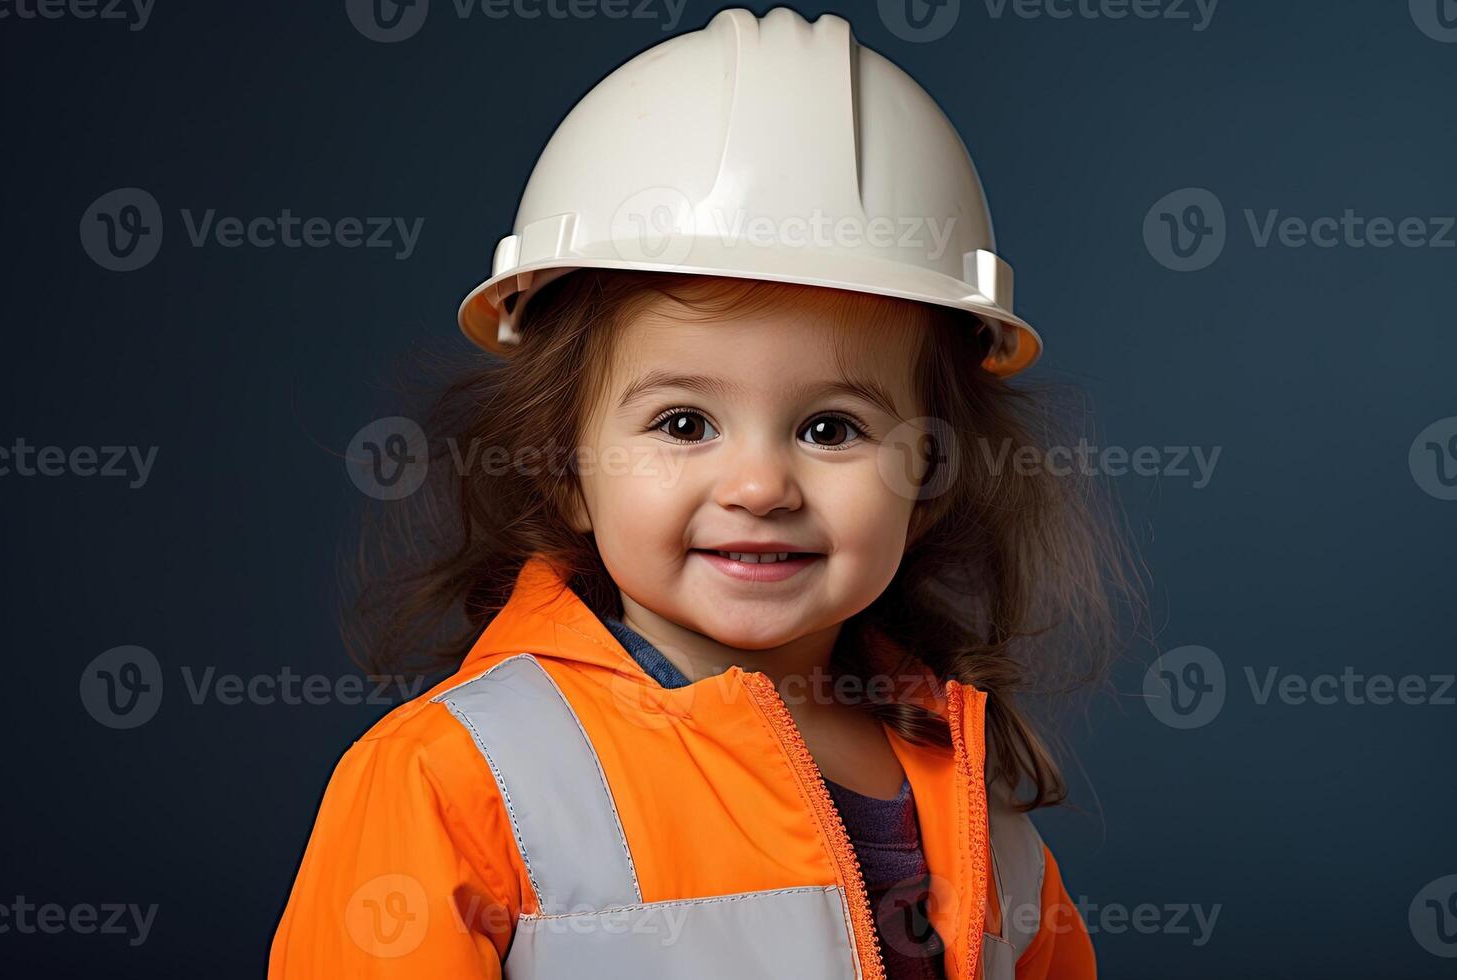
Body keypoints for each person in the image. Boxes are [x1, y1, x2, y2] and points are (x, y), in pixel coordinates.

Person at [270, 7, 1140, 977]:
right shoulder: (455, 776)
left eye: (831, 428)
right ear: (564, 469)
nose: (761, 484)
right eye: (683, 423)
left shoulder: (973, 791)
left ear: (930, 477)